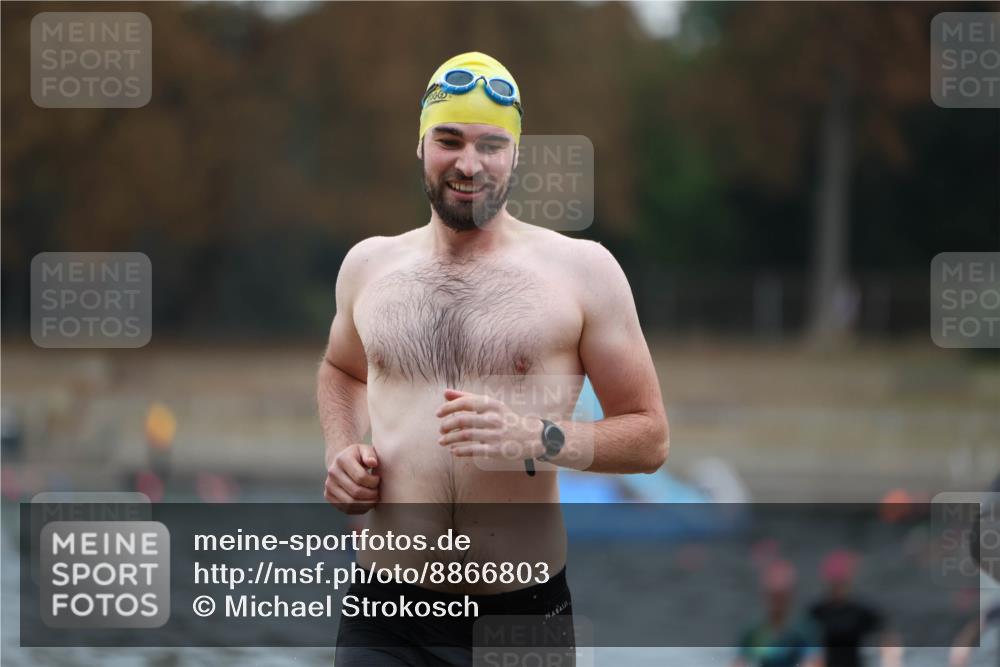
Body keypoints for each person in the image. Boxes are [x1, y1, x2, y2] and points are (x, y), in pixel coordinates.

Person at [317, 51, 669, 666]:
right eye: (449, 139)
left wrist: (538, 437)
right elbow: (340, 371)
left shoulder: (583, 272)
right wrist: (341, 448)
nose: (468, 163)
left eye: (491, 144)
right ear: (420, 144)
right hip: (386, 615)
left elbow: (650, 439)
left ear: (516, 155)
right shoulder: (368, 266)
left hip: (522, 617)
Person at [808, 550, 902, 667]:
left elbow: (887, 635)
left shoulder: (860, 612)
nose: (838, 589)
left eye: (841, 583)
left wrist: (890, 661)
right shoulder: (817, 611)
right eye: (834, 584)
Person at [733, 560, 824, 667]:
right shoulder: (752, 632)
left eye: (781, 597)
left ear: (790, 596)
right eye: (773, 596)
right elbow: (740, 661)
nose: (777, 603)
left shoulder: (806, 631)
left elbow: (814, 661)